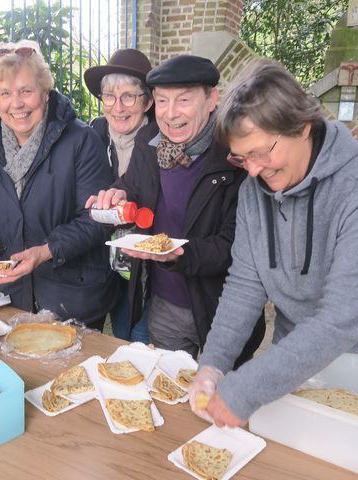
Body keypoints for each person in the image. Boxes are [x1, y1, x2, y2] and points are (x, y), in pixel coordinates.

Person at [189, 58, 358, 427]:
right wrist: (213, 364)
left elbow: (342, 317)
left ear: (301, 127)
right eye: (241, 157)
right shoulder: (255, 191)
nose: (252, 170)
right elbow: (244, 286)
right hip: (298, 366)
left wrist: (243, 391)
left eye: (260, 152)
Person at [86, 54, 266, 364]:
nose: (171, 114)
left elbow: (237, 246)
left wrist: (179, 254)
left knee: (218, 402)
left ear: (211, 99)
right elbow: (135, 184)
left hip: (220, 308)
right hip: (163, 304)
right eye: (163, 101)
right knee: (169, 392)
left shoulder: (234, 156)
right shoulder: (149, 140)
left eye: (183, 100)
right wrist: (119, 192)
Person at [0, 39, 117, 330]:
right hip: (7, 297)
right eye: (5, 93)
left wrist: (46, 250)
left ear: (45, 92)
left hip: (72, 302)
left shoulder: (80, 141)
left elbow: (97, 218)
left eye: (26, 91)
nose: (16, 103)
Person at [83, 48, 154, 342]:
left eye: (129, 96)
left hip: (141, 270)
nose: (118, 106)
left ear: (148, 101)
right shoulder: (91, 135)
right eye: (109, 96)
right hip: (98, 263)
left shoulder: (161, 141)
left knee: (134, 340)